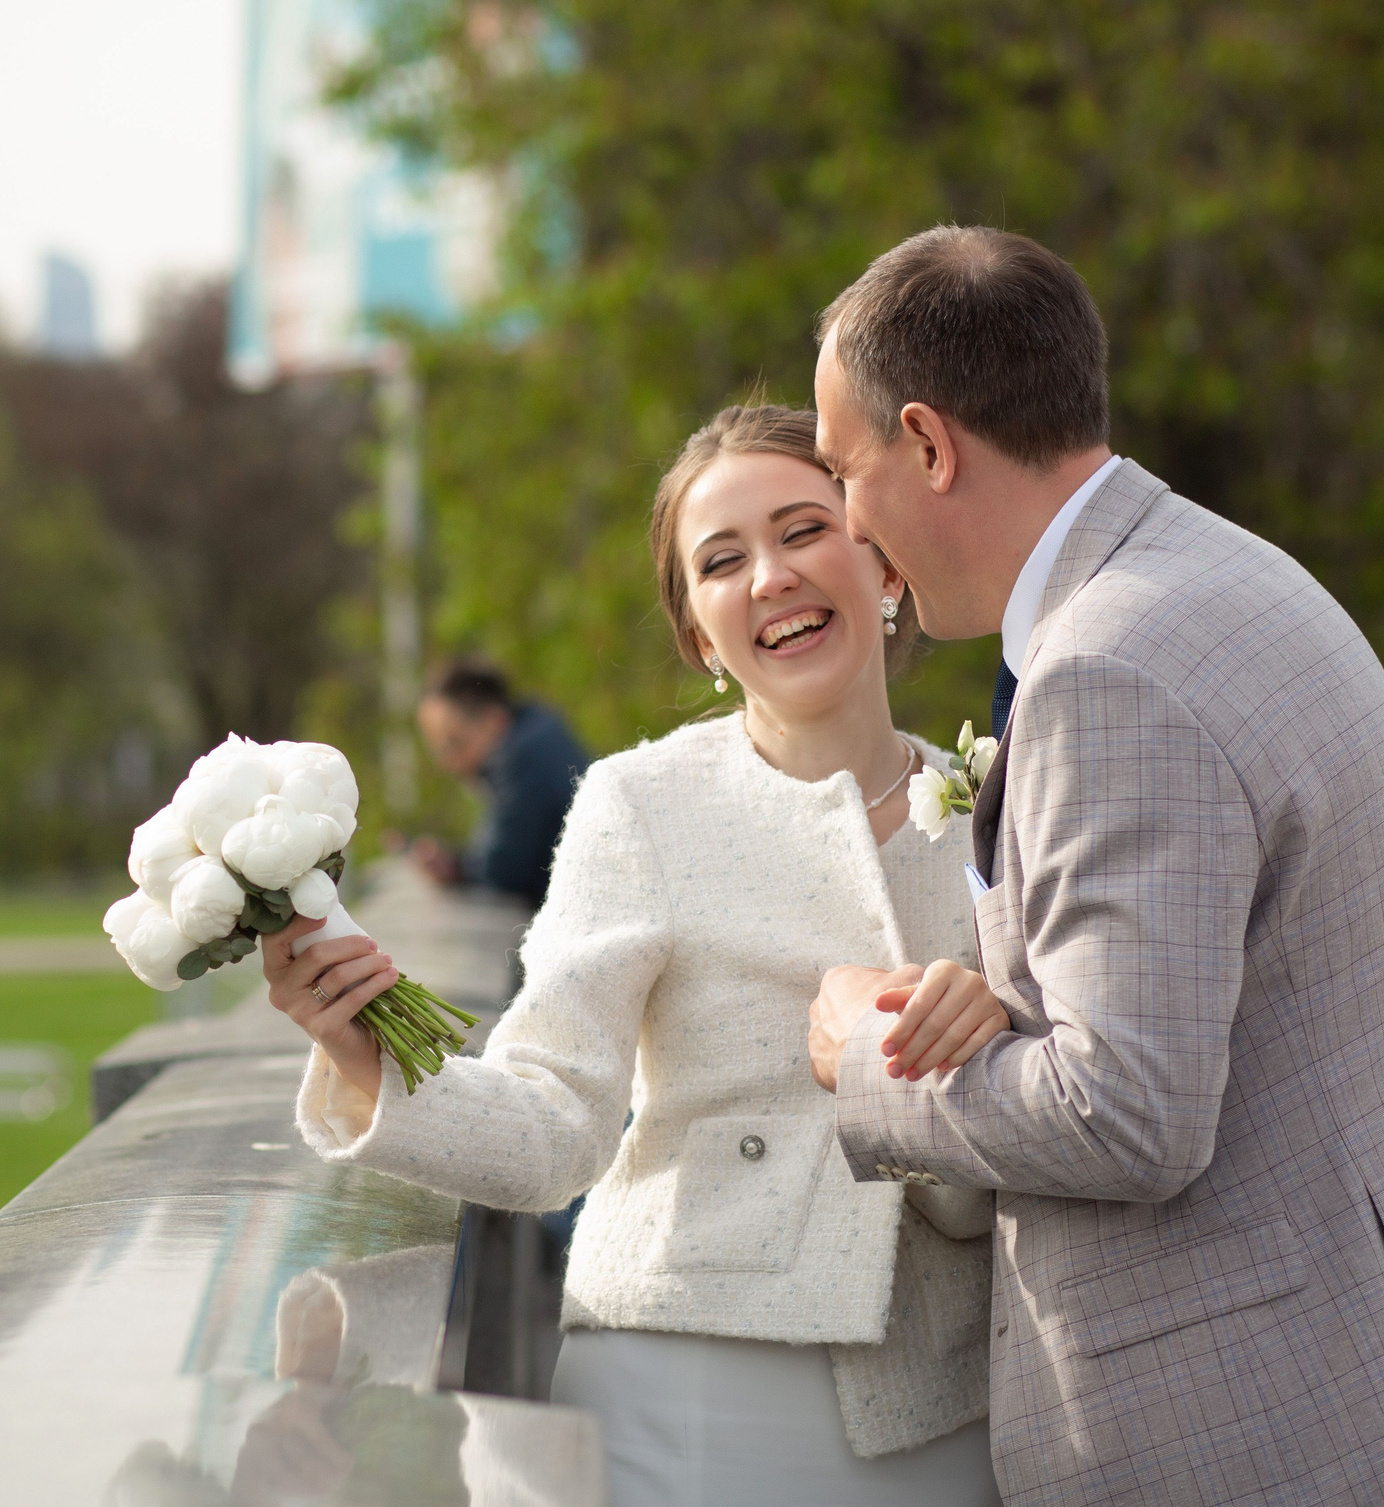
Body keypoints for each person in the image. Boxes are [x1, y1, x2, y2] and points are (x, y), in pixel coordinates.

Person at [805, 226, 1384, 1506]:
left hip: (1230, 1421)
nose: (847, 522)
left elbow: (1127, 1116)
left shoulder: (1106, 674)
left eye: (842, 470)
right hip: (1333, 1367)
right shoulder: (1223, 571)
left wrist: (860, 1058)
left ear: (928, 445)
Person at [265, 404, 1017, 1507]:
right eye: (722, 561)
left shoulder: (1005, 806)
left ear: (884, 560)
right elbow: (557, 1120)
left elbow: (1070, 1111)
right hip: (681, 1390)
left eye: (804, 529)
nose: (771, 576)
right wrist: (364, 1053)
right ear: (701, 637)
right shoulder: (642, 803)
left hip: (941, 1404)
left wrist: (977, 1049)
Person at [410, 661, 591, 910]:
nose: (447, 764)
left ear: (494, 720)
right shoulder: (537, 728)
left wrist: (455, 868)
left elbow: (502, 870)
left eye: (455, 744)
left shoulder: (521, 759)